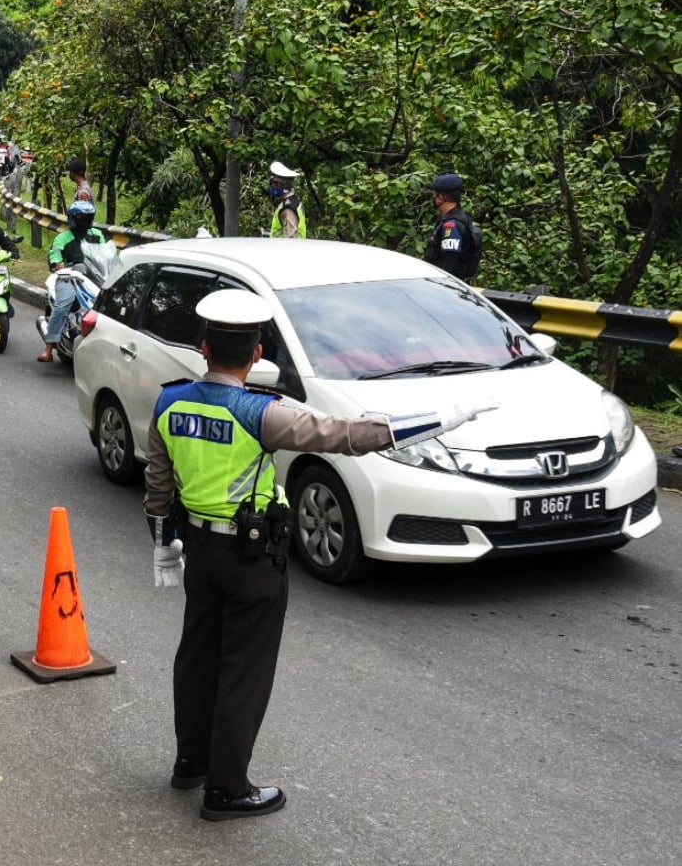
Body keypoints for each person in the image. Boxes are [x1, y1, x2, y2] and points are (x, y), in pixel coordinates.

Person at [143, 289, 495, 821]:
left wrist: (162, 544)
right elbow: (349, 437)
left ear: (205, 347)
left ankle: (191, 763)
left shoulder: (170, 403)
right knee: (243, 670)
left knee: (196, 658)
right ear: (257, 354)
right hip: (251, 558)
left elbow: (158, 483)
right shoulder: (261, 413)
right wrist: (445, 418)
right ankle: (227, 789)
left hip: (199, 548)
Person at [37, 161, 105, 362]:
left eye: (88, 218)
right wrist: (59, 265)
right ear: (74, 219)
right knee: (63, 304)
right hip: (69, 278)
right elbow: (55, 255)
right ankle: (49, 348)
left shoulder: (97, 235)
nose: (85, 222)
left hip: (94, 277)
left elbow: (108, 256)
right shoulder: (63, 238)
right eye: (82, 218)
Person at [423, 172, 480, 281]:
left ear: (440, 198)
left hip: (445, 286)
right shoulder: (460, 217)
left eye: (434, 194)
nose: (433, 198)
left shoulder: (451, 226)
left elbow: (449, 267)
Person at [266, 161, 307, 239]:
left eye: (275, 183)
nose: (273, 186)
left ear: (284, 186)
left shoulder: (288, 209)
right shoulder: (293, 202)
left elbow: (291, 239)